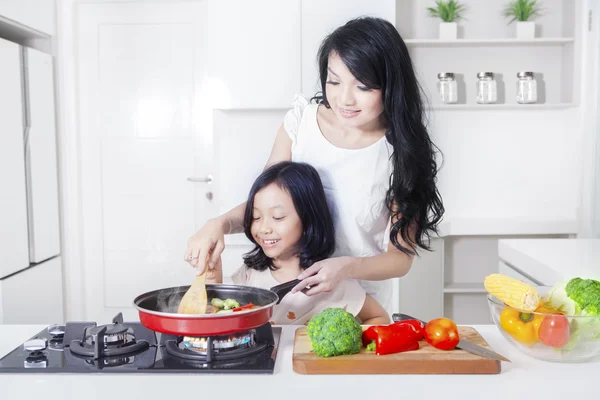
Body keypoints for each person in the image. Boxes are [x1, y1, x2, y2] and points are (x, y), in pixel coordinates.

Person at [185, 16, 444, 312]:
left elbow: (400, 258)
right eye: (334, 81)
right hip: (291, 293)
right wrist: (217, 223)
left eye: (362, 86)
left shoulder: (403, 153)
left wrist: (346, 268)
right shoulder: (300, 124)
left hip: (356, 304)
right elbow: (267, 204)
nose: (344, 99)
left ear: (390, 86)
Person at [207, 161, 390, 325]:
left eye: (277, 217)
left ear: (308, 218)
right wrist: (212, 276)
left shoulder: (329, 280)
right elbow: (219, 316)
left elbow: (380, 318)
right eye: (256, 217)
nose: (263, 228)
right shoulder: (251, 273)